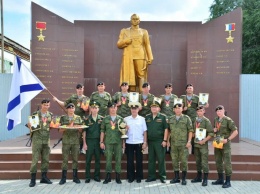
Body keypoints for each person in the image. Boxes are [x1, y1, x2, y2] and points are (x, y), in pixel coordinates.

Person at [117, 14, 153, 92]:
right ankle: (129, 95)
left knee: (141, 75)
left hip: (140, 55)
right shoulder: (124, 31)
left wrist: (150, 57)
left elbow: (147, 44)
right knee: (129, 76)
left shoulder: (144, 31)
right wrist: (126, 41)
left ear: (139, 20)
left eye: (137, 19)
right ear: (130, 20)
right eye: (133, 19)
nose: (135, 20)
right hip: (128, 56)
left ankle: (142, 94)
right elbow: (119, 44)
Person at [53, 83, 89, 153]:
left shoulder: (86, 98)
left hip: (81, 118)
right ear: (76, 89)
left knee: (82, 133)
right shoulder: (72, 97)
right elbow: (64, 104)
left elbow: (87, 109)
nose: (80, 90)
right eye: (78, 89)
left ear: (83, 89)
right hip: (72, 118)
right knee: (72, 132)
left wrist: (86, 110)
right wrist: (57, 100)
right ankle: (71, 148)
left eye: (81, 89)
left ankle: (81, 148)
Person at [212, 105, 238, 188]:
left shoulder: (228, 120)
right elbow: (216, 130)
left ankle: (228, 181)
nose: (219, 112)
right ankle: (220, 179)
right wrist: (214, 130)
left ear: (223, 111)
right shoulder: (216, 119)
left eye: (220, 111)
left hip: (225, 144)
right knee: (218, 161)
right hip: (217, 142)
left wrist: (228, 139)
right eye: (217, 111)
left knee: (227, 162)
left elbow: (235, 132)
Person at [28, 99, 53, 187]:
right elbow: (31, 127)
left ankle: (43, 177)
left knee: (45, 160)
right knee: (35, 160)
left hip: (46, 140)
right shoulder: (35, 114)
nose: (46, 106)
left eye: (47, 105)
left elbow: (50, 126)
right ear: (41, 105)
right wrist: (30, 125)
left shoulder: (50, 115)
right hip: (37, 140)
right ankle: (33, 180)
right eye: (44, 105)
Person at [168, 103, 193, 185]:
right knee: (174, 161)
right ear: (174, 110)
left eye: (179, 108)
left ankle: (184, 178)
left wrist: (189, 141)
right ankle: (176, 178)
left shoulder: (186, 118)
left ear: (182, 109)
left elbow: (190, 131)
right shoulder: (170, 119)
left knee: (184, 161)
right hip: (174, 144)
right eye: (176, 108)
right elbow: (168, 131)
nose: (178, 110)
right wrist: (167, 141)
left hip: (183, 144)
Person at [58, 103, 83, 185]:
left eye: (73, 108)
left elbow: (81, 130)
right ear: (67, 109)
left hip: (75, 142)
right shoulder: (63, 118)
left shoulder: (78, 118)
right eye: (69, 108)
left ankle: (75, 177)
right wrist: (67, 126)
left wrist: (79, 128)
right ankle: (63, 178)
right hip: (66, 142)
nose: (71, 109)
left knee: (75, 160)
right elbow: (60, 130)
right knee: (65, 160)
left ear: (74, 109)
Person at [100, 101, 125, 184]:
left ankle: (118, 177)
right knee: (108, 159)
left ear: (116, 108)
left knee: (118, 159)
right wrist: (101, 142)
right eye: (111, 107)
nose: (113, 109)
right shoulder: (106, 119)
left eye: (114, 107)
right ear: (109, 108)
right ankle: (108, 177)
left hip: (118, 142)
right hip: (108, 142)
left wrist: (123, 143)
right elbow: (102, 131)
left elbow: (123, 132)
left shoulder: (120, 119)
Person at [145, 98, 168, 183]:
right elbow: (145, 130)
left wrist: (165, 140)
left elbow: (166, 129)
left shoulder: (163, 117)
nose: (154, 108)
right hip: (150, 141)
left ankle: (163, 176)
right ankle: (151, 176)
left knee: (161, 159)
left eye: (156, 107)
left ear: (159, 108)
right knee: (151, 159)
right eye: (152, 107)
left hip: (159, 141)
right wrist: (145, 141)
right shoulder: (147, 117)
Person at [180, 84, 208, 154]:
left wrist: (205, 105)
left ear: (193, 89)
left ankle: (194, 151)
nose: (189, 89)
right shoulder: (182, 97)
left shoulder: (197, 98)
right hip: (185, 118)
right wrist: (183, 109)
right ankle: (184, 151)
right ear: (186, 90)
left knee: (194, 134)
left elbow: (201, 107)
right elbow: (178, 107)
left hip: (194, 119)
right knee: (185, 134)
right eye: (188, 88)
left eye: (191, 88)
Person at [124, 102, 147, 183]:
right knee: (129, 161)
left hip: (139, 142)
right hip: (129, 142)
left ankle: (139, 177)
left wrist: (145, 142)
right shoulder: (126, 119)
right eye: (132, 109)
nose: (134, 110)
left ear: (138, 110)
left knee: (139, 160)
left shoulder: (142, 119)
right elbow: (123, 132)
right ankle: (130, 177)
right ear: (130, 110)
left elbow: (145, 131)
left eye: (135, 109)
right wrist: (126, 129)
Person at [191, 106, 214, 186]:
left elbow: (211, 133)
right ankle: (199, 177)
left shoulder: (206, 121)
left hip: (203, 145)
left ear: (204, 111)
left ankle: (205, 179)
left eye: (201, 111)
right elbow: (193, 130)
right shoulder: (195, 120)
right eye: (198, 111)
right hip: (196, 144)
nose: (199, 112)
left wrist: (204, 140)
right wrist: (193, 133)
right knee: (198, 161)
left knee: (204, 162)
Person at [83, 101, 103, 183]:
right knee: (88, 160)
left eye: (96, 108)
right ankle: (87, 177)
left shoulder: (102, 119)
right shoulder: (87, 119)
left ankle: (96, 176)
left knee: (98, 159)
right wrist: (84, 143)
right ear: (90, 109)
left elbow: (103, 131)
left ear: (98, 109)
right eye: (93, 108)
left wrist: (102, 142)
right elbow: (84, 131)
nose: (94, 109)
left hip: (98, 141)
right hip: (89, 141)